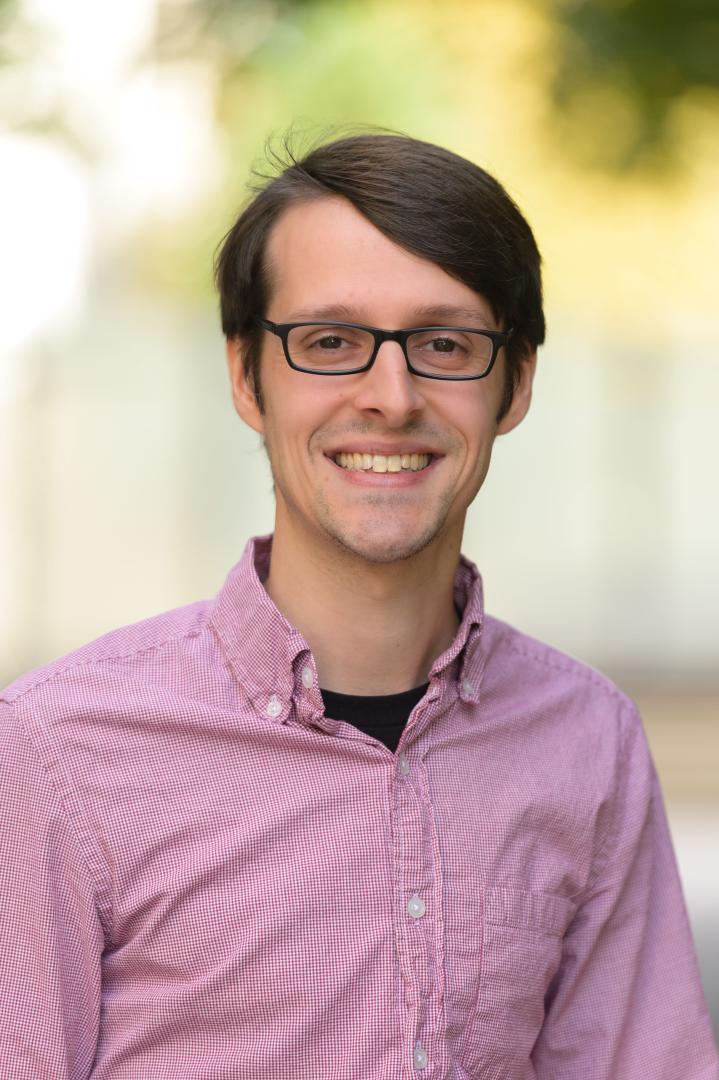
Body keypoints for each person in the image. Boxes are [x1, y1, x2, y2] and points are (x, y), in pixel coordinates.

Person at [1, 133, 717, 1080]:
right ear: (244, 374)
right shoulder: (59, 750)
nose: (392, 397)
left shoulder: (588, 741)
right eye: (330, 341)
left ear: (517, 382)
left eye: (445, 344)